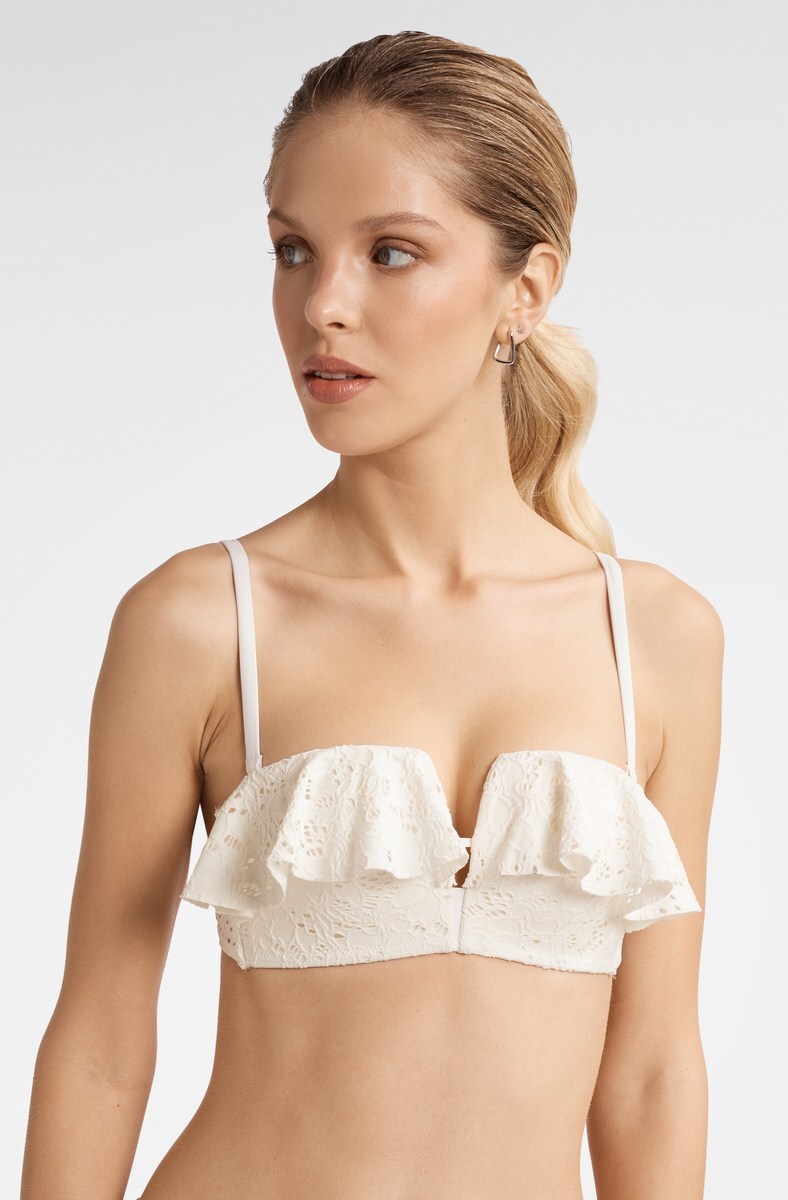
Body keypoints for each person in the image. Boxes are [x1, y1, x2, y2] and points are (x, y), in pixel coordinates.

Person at [20, 30, 723, 1200]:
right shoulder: (202, 621)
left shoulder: (651, 637)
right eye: (292, 251)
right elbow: (99, 1042)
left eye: (390, 253)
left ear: (524, 290)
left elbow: (649, 1072)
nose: (322, 305)